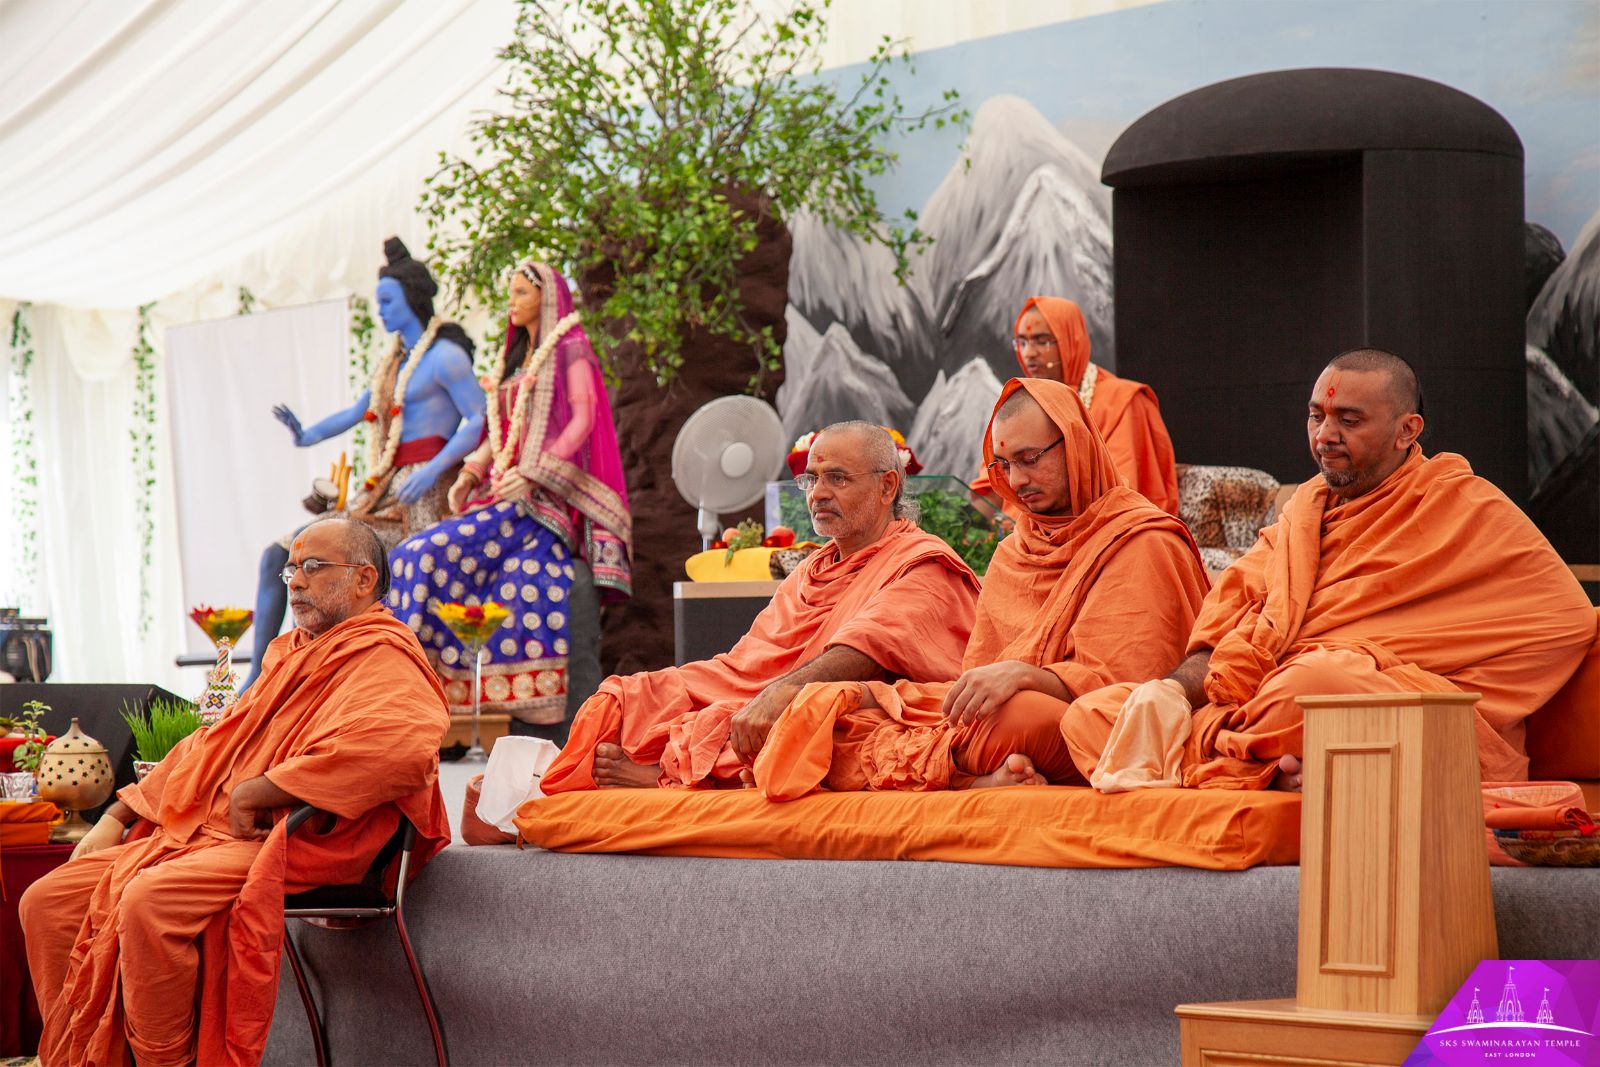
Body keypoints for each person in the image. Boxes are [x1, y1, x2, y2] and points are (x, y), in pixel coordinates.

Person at [1061, 349, 1598, 792]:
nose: (1325, 435)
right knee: (1093, 714)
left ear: (1407, 430)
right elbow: (1228, 632)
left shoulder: (1464, 505)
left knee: (1321, 683)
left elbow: (1564, 618)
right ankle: (1255, 763)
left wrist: (1379, 660)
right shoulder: (1302, 514)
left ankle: (1230, 761)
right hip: (1259, 703)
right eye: (1317, 415)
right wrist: (1173, 693)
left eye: (1349, 419)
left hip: (1393, 706)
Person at [20, 518, 451, 1066]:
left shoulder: (386, 657)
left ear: (365, 579)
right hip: (219, 836)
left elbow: (397, 752)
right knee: (47, 901)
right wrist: (118, 815)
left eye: (312, 567)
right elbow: (213, 741)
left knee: (149, 901)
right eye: (292, 568)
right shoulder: (290, 652)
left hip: (304, 840)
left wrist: (262, 792)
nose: (294, 581)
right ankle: (85, 1056)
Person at [751, 379, 1210, 799]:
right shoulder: (1015, 551)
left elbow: (1133, 693)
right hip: (1000, 721)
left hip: (1084, 723)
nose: (1017, 482)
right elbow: (971, 685)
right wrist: (878, 695)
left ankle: (961, 772)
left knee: (1013, 718)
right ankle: (973, 775)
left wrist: (1029, 676)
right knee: (839, 713)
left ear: (1076, 445)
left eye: (1030, 459)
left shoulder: (1143, 540)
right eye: (1005, 465)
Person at [541, 421, 983, 792]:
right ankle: (694, 759)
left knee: (823, 723)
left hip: (863, 705)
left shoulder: (922, 561)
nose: (817, 494)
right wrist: (743, 694)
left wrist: (781, 694)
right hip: (774, 692)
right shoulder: (811, 569)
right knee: (631, 697)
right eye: (812, 479)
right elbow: (746, 667)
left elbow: (867, 648)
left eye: (838, 478)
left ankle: (668, 772)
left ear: (888, 485)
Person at [388, 261, 630, 743]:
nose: (512, 301)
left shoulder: (571, 348)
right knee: (412, 557)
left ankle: (406, 693)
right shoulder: (519, 360)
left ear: (547, 296)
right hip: (500, 498)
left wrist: (533, 473)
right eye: (511, 292)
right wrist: (473, 472)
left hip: (541, 505)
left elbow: (584, 420)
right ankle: (416, 698)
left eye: (521, 291)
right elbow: (496, 432)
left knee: (419, 555)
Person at [244, 237, 486, 688]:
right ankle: (260, 674)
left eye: (388, 301)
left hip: (425, 497)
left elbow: (479, 417)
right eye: (378, 301)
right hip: (384, 489)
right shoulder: (392, 363)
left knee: (326, 560)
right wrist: (307, 433)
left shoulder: (446, 356)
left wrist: (435, 469)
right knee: (279, 553)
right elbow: (359, 410)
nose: (381, 311)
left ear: (412, 299)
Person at [973, 296, 1179, 515]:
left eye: (1042, 341)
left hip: (1104, 532)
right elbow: (991, 487)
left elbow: (1122, 490)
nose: (1029, 353)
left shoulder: (1123, 401)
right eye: (1022, 342)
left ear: (1072, 340)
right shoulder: (1023, 407)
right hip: (1026, 536)